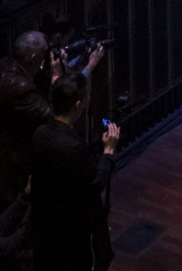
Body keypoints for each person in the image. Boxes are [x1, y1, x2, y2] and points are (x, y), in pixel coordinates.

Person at [29, 72, 119, 271]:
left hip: (46, 224)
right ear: (77, 105)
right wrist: (108, 152)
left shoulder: (39, 134)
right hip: (73, 230)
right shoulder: (73, 147)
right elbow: (95, 183)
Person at [0, 32, 56, 207]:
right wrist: (56, 76)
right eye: (43, 57)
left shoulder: (4, 64)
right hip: (6, 169)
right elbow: (53, 117)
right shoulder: (19, 87)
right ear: (33, 58)